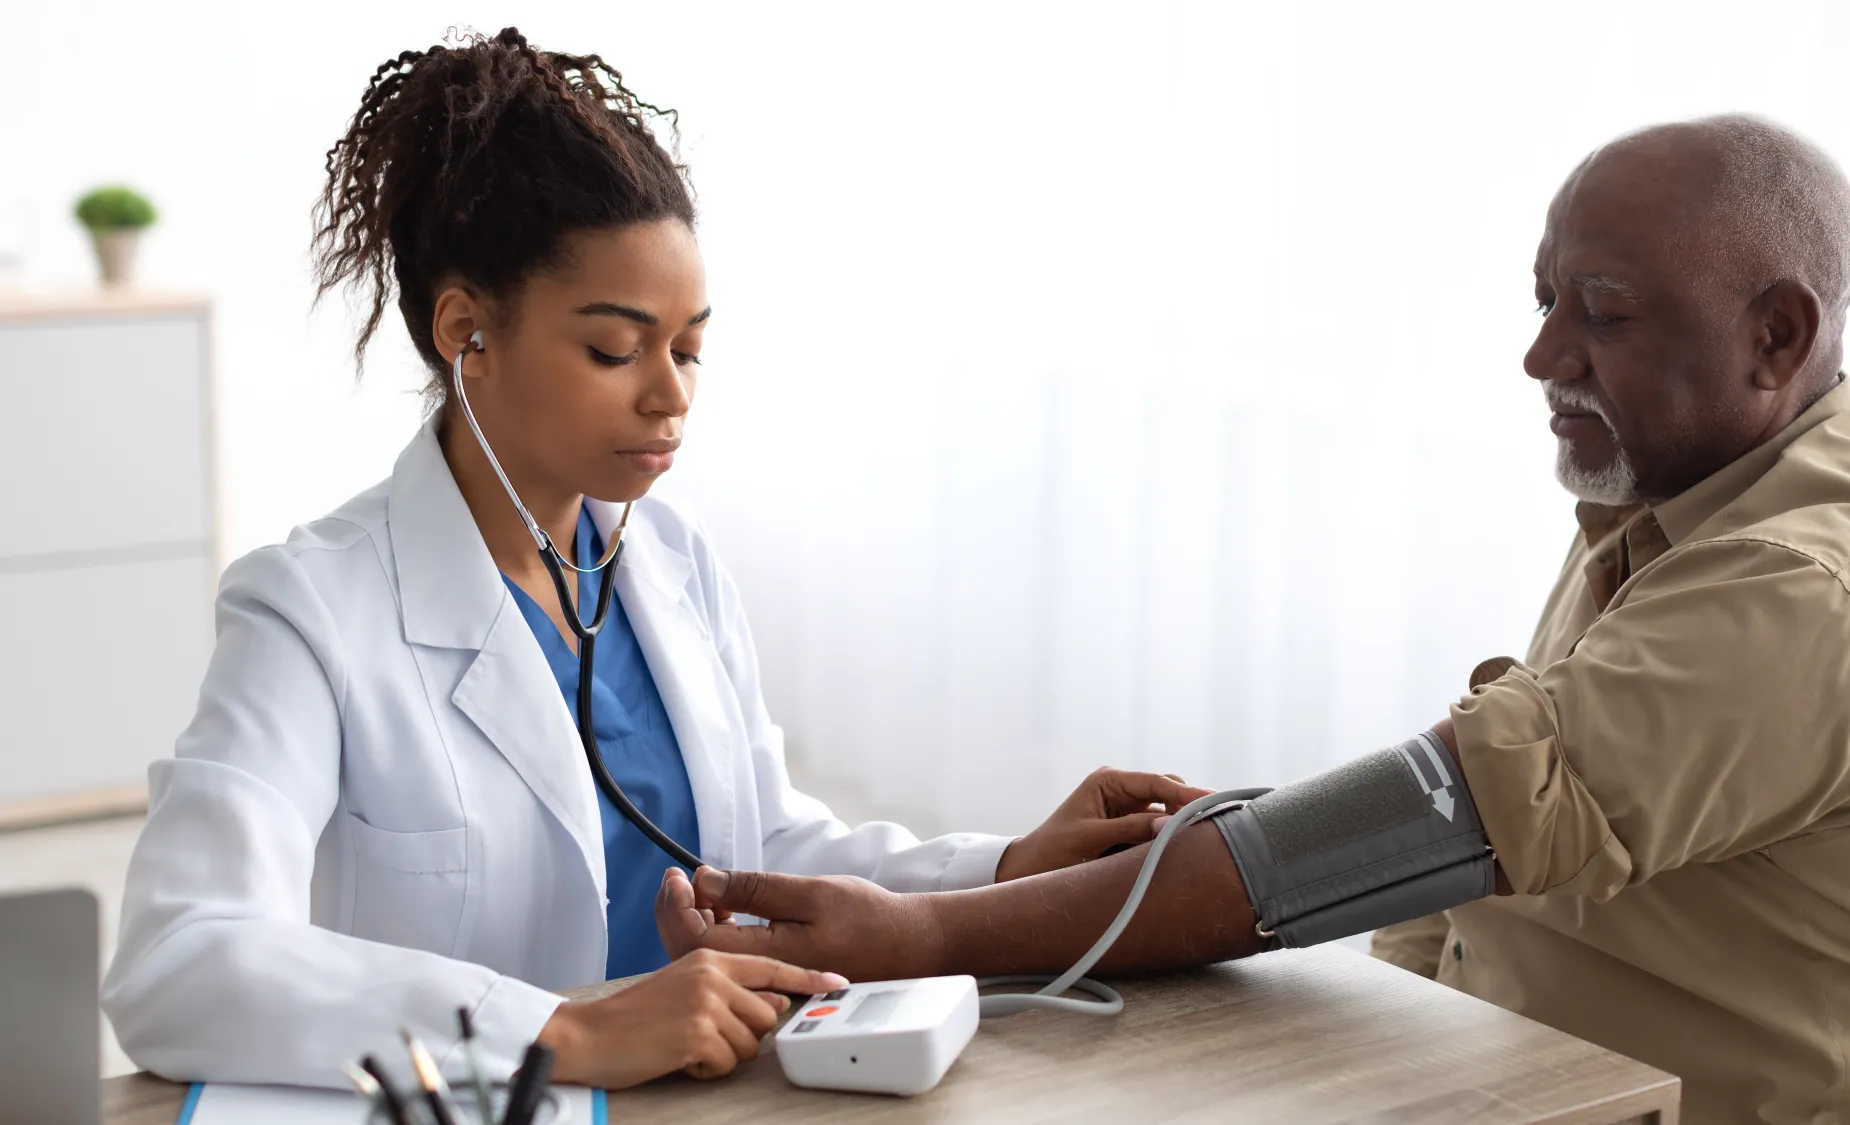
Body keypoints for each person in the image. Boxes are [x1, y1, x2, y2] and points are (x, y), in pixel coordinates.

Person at [657, 115, 1850, 1124]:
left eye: (1605, 315)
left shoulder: (1808, 588)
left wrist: (933, 933)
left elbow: (1437, 816)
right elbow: (1477, 865)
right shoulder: (1676, 502)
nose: (1543, 358)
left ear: (1778, 336)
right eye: (1544, 303)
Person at [100, 27, 1206, 1092]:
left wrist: (1006, 869)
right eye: (615, 348)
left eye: (688, 348)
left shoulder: (670, 559)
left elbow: (758, 841)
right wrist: (565, 1030)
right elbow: (178, 962)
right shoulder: (309, 610)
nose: (670, 395)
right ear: (463, 332)